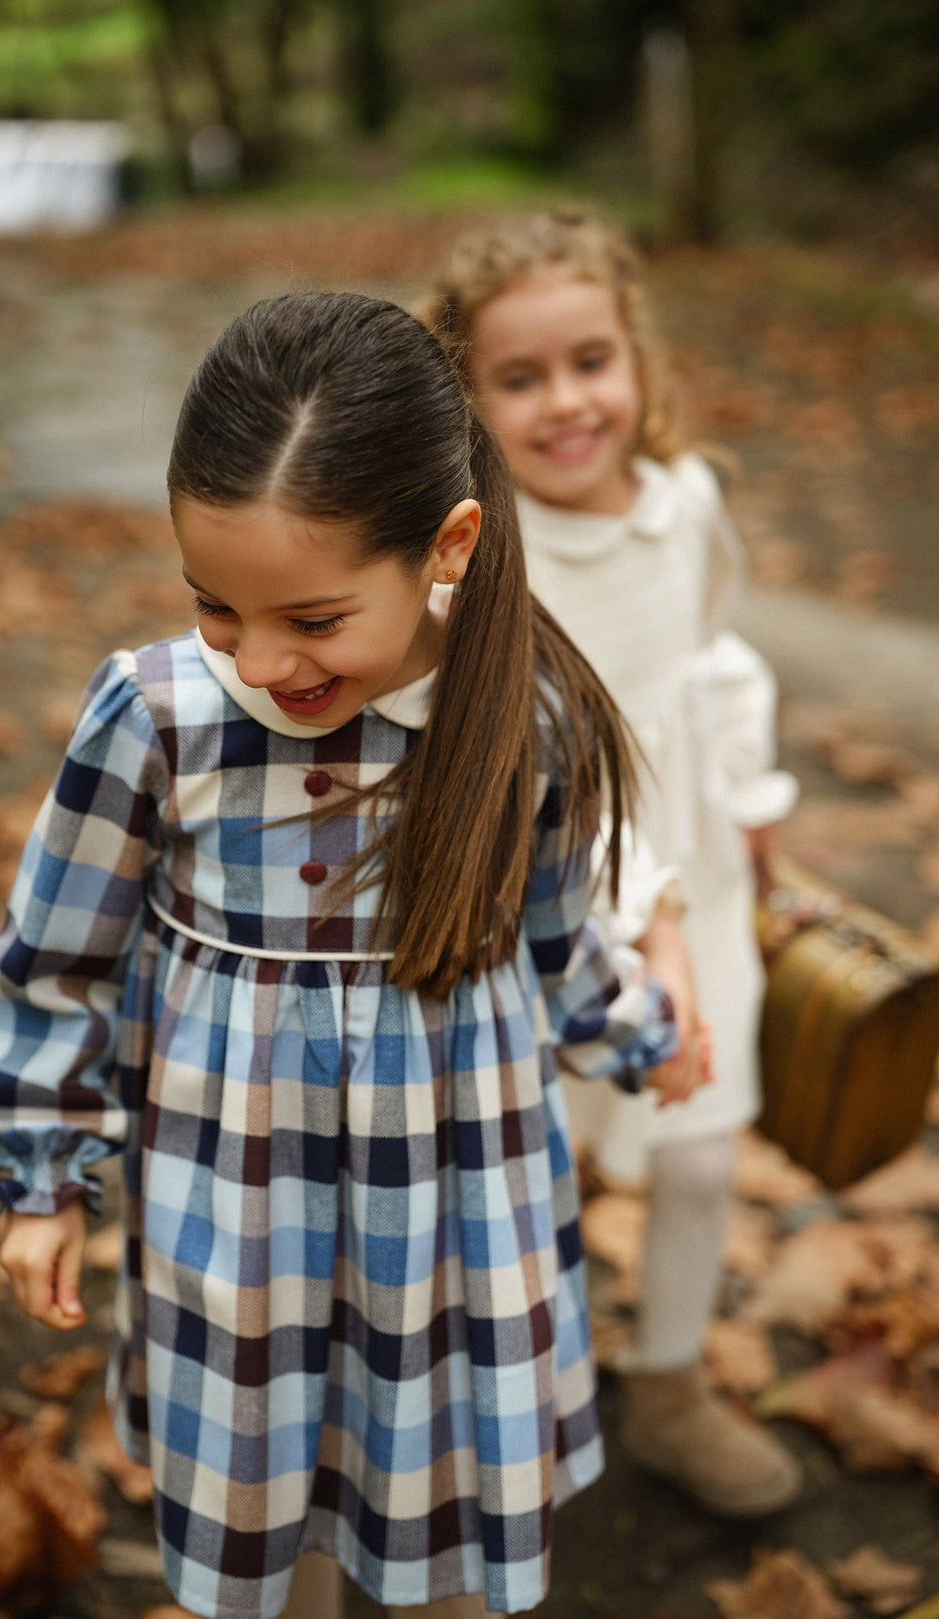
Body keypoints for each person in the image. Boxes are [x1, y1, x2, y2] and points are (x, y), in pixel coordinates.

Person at [0, 291, 703, 1619]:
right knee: (270, 1505)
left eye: (311, 616)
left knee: (442, 1488)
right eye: (216, 607)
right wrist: (40, 1175)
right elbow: (52, 961)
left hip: (462, 1198)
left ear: (447, 545)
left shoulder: (517, 716)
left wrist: (644, 1028)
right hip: (240, 1208)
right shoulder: (158, 716)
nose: (258, 659)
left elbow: (553, 935)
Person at [421, 209, 803, 1518]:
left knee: (700, 1150)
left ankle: (673, 1383)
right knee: (537, 1162)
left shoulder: (686, 501)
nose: (567, 401)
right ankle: (517, 1388)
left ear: (636, 354)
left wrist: (748, 794)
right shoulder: (484, 558)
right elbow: (555, 768)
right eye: (519, 380)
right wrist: (652, 919)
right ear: (467, 400)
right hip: (558, 900)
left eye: (591, 360)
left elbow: (712, 654)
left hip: (696, 865)